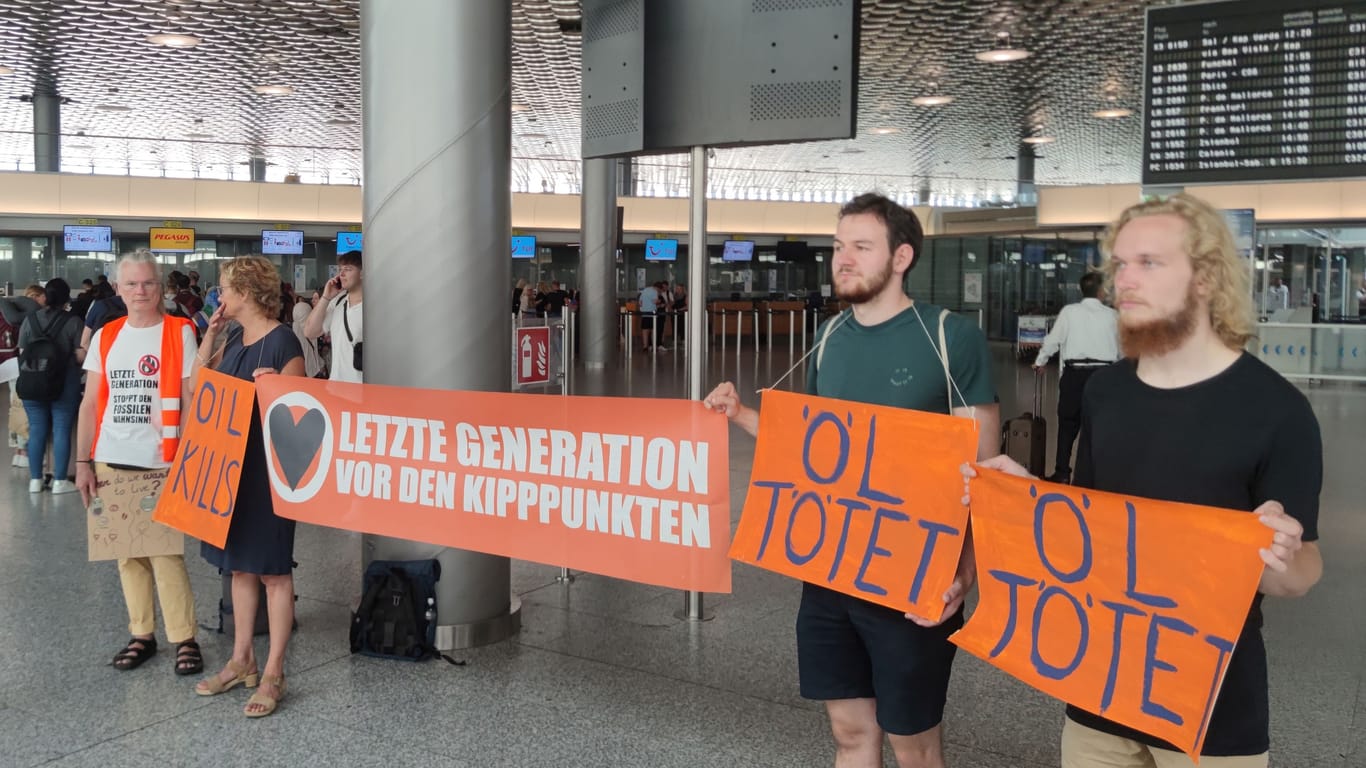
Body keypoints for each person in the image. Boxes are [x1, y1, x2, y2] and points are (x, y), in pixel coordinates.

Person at [968, 193, 1322, 767]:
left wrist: (1276, 553)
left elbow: (1303, 572)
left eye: (1148, 263)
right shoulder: (1108, 391)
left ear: (1205, 279)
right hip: (1100, 686)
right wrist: (1029, 498)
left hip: (1208, 703)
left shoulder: (1277, 411)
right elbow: (1093, 523)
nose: (1123, 281)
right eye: (1120, 264)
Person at [705, 193, 1000, 768]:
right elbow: (815, 451)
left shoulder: (949, 337)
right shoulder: (831, 337)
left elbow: (983, 476)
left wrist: (964, 573)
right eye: (839, 247)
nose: (843, 259)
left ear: (901, 257)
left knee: (914, 746)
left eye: (861, 247)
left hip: (914, 577)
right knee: (849, 734)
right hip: (833, 569)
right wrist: (741, 414)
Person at [74, 248, 205, 678]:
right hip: (113, 457)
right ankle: (141, 633)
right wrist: (83, 461)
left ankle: (184, 637)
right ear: (118, 288)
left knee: (166, 554)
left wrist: (188, 457)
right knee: (127, 554)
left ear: (160, 286)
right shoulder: (107, 336)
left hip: (161, 460)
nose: (140, 291)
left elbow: (189, 399)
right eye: (131, 283)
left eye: (148, 282)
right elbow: (91, 402)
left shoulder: (179, 331)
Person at [193, 256, 305, 718]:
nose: (220, 297)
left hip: (267, 474)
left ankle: (275, 668)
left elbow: (300, 417)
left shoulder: (283, 342)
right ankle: (242, 659)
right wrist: (210, 336)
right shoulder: (236, 337)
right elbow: (201, 385)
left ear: (246, 292)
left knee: (273, 571)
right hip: (231, 467)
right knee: (238, 568)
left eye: (225, 289)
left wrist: (274, 390)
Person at [1032, 271, 1119, 483]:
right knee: (1100, 426)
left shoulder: (1069, 312)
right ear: (1101, 291)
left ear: (1082, 290)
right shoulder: (1113, 315)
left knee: (1068, 424)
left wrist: (1040, 362)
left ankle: (1062, 473)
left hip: (1074, 375)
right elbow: (1122, 349)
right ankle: (1099, 477)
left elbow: (1054, 340)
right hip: (1104, 377)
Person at [18, 278, 83, 493]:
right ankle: (60, 482)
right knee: (61, 429)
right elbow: (82, 355)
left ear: (45, 297)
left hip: (33, 381)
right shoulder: (73, 321)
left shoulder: (30, 320)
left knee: (36, 429)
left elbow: (22, 351)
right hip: (65, 383)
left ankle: (35, 480)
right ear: (67, 299)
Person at [303, 251, 362, 384]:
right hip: (336, 385)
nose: (341, 274)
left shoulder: (373, 308)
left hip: (363, 388)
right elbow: (310, 332)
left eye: (348, 269)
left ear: (362, 273)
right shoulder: (338, 301)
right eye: (340, 269)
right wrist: (326, 297)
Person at [291, 291, 324, 378]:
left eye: (316, 298)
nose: (313, 301)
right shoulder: (314, 329)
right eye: (313, 298)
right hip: (316, 373)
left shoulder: (292, 331)